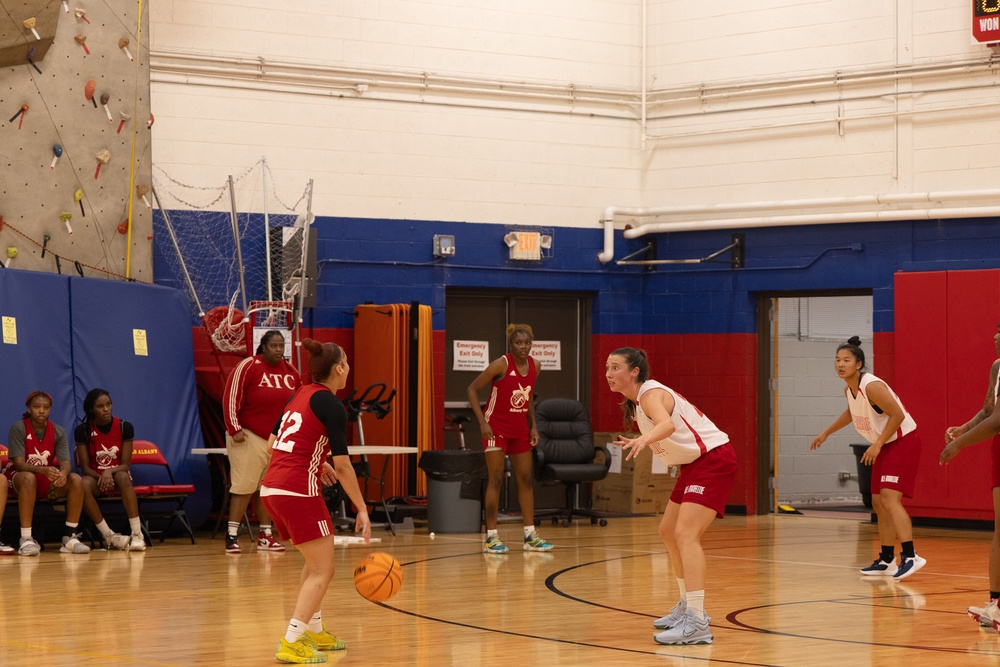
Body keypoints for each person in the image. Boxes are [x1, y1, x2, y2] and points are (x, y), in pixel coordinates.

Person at [606, 347, 736, 646]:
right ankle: (685, 605)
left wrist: (643, 439)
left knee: (685, 534)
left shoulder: (651, 394)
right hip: (693, 465)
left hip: (713, 460)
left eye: (615, 368)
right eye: (607, 368)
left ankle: (697, 620)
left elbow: (668, 425)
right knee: (668, 531)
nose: (609, 374)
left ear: (634, 371)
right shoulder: (637, 401)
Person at [261, 338, 371, 664]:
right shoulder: (333, 406)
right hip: (298, 491)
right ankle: (292, 640)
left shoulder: (299, 395)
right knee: (325, 569)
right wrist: (362, 509)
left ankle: (314, 630)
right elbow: (344, 466)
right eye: (347, 362)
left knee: (313, 565)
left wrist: (314, 458)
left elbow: (271, 446)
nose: (348, 367)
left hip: (272, 490)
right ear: (339, 369)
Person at [811, 336, 925, 579]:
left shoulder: (872, 385)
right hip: (885, 443)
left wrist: (878, 444)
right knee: (877, 502)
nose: (840, 364)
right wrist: (826, 433)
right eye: (837, 360)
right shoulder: (849, 389)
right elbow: (852, 412)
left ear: (859, 364)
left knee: (890, 499)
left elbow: (897, 415)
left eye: (846, 360)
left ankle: (910, 555)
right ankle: (886, 559)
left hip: (902, 442)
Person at [467, 323, 553, 555]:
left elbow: (528, 399)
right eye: (518, 343)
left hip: (519, 430)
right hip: (495, 428)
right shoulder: (501, 364)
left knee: (525, 479)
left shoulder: (536, 365)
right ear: (511, 344)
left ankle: (530, 535)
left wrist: (533, 426)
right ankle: (492, 538)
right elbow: (472, 389)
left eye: (527, 343)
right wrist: (482, 422)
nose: (523, 347)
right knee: (495, 479)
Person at [940, 322, 1000, 631]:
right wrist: (964, 427)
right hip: (999, 450)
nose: (995, 335)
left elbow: (998, 421)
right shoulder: (998, 366)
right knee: (999, 532)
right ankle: (996, 604)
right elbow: (990, 410)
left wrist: (960, 444)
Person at [222, 330, 301, 554]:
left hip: (276, 440)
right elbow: (231, 395)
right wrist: (234, 428)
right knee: (244, 487)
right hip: (248, 435)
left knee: (267, 489)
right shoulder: (249, 366)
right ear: (263, 347)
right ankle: (231, 535)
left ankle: (266, 536)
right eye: (274, 346)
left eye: (281, 345)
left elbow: (299, 402)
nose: (278, 350)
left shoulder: (290, 371)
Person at [6, 391, 95, 556]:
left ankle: (70, 537)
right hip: (18, 478)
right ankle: (26, 539)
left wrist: (63, 474)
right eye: (37, 407)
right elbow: (18, 464)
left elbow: (66, 464)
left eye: (45, 407)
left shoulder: (58, 431)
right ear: (29, 408)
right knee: (28, 478)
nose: (41, 411)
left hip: (42, 477)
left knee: (75, 479)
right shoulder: (18, 428)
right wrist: (42, 470)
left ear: (50, 409)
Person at [74, 388, 147, 551]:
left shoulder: (124, 427)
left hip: (118, 475)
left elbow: (125, 465)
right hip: (95, 478)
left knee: (122, 476)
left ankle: (137, 534)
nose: (106, 409)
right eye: (100, 406)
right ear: (92, 409)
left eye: (108, 404)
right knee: (83, 483)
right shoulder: (82, 431)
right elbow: (85, 468)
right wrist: (102, 476)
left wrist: (108, 472)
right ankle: (108, 535)